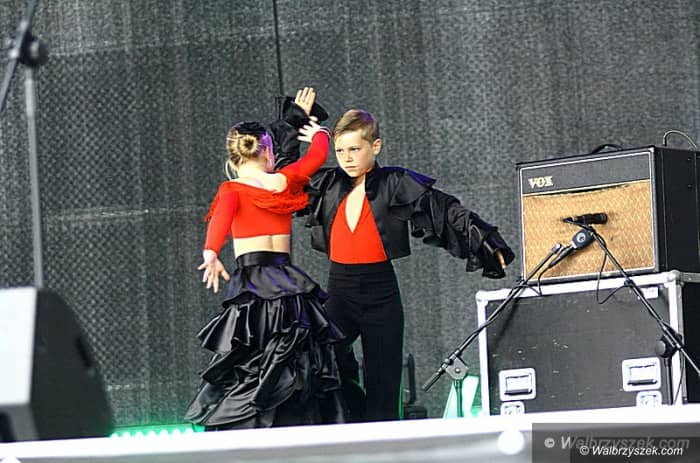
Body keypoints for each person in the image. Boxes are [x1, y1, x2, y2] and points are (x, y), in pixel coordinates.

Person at [271, 106, 515, 422]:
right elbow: (284, 177)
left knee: (384, 384)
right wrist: (293, 119)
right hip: (340, 292)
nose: (347, 158)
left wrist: (485, 240)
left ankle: (381, 441)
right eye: (340, 150)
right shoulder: (328, 183)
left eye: (355, 149)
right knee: (322, 362)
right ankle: (345, 428)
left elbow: (443, 209)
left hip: (381, 296)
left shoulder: (394, 182)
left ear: (376, 146)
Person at [184, 88, 346, 429]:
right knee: (294, 352)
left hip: (254, 283)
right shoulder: (284, 180)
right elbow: (316, 158)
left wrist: (211, 253)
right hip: (287, 281)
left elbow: (219, 222)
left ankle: (252, 423)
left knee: (251, 353)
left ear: (233, 160)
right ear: (269, 152)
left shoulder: (232, 189)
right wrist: (319, 133)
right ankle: (296, 421)